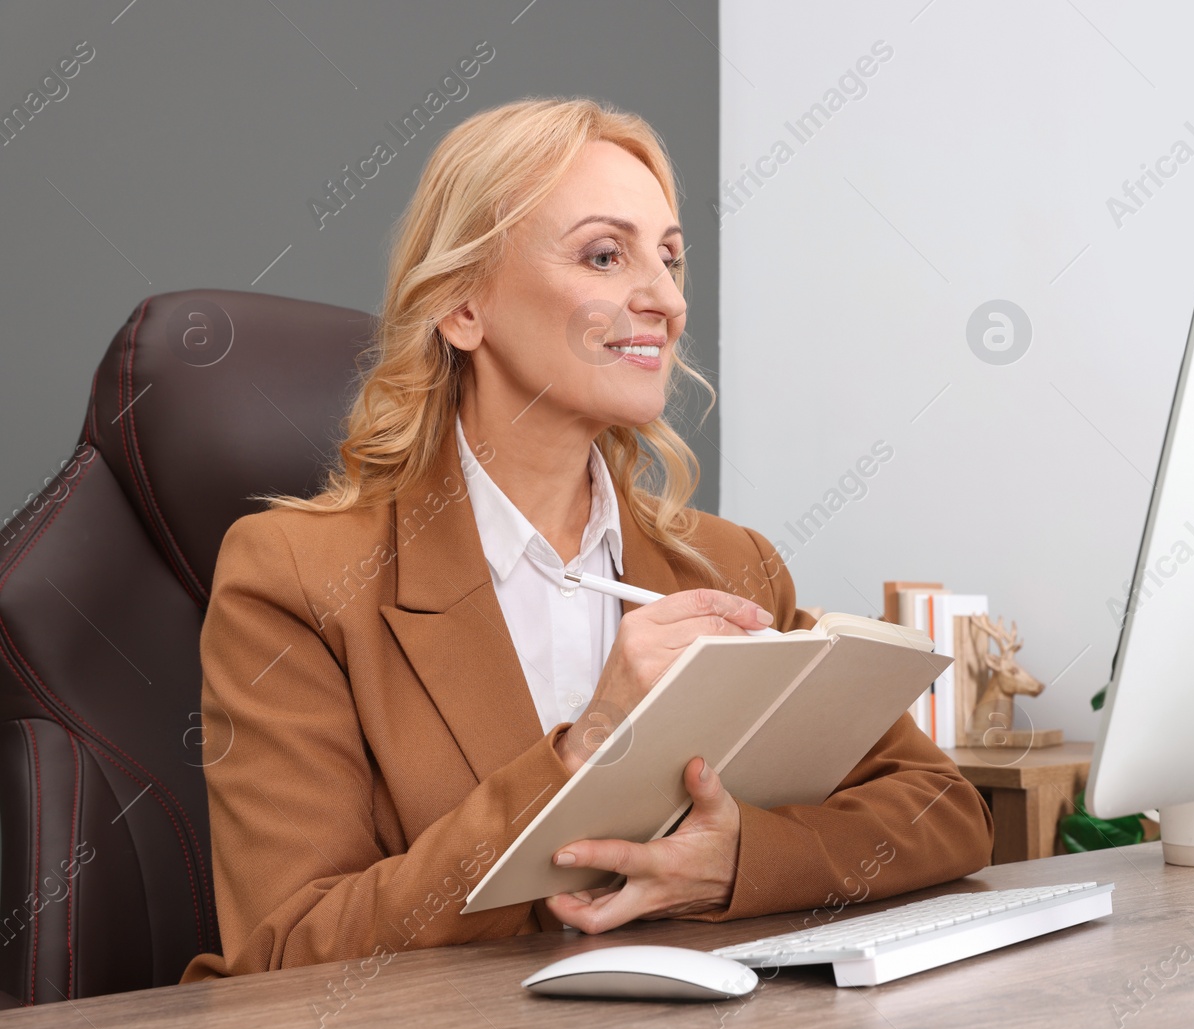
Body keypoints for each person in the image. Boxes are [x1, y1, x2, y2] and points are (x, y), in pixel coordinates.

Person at [182, 98, 993, 981]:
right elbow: (288, 952)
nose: (666, 300)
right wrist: (589, 742)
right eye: (606, 256)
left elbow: (942, 808)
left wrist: (736, 861)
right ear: (462, 307)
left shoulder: (729, 563)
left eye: (671, 259)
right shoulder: (296, 577)